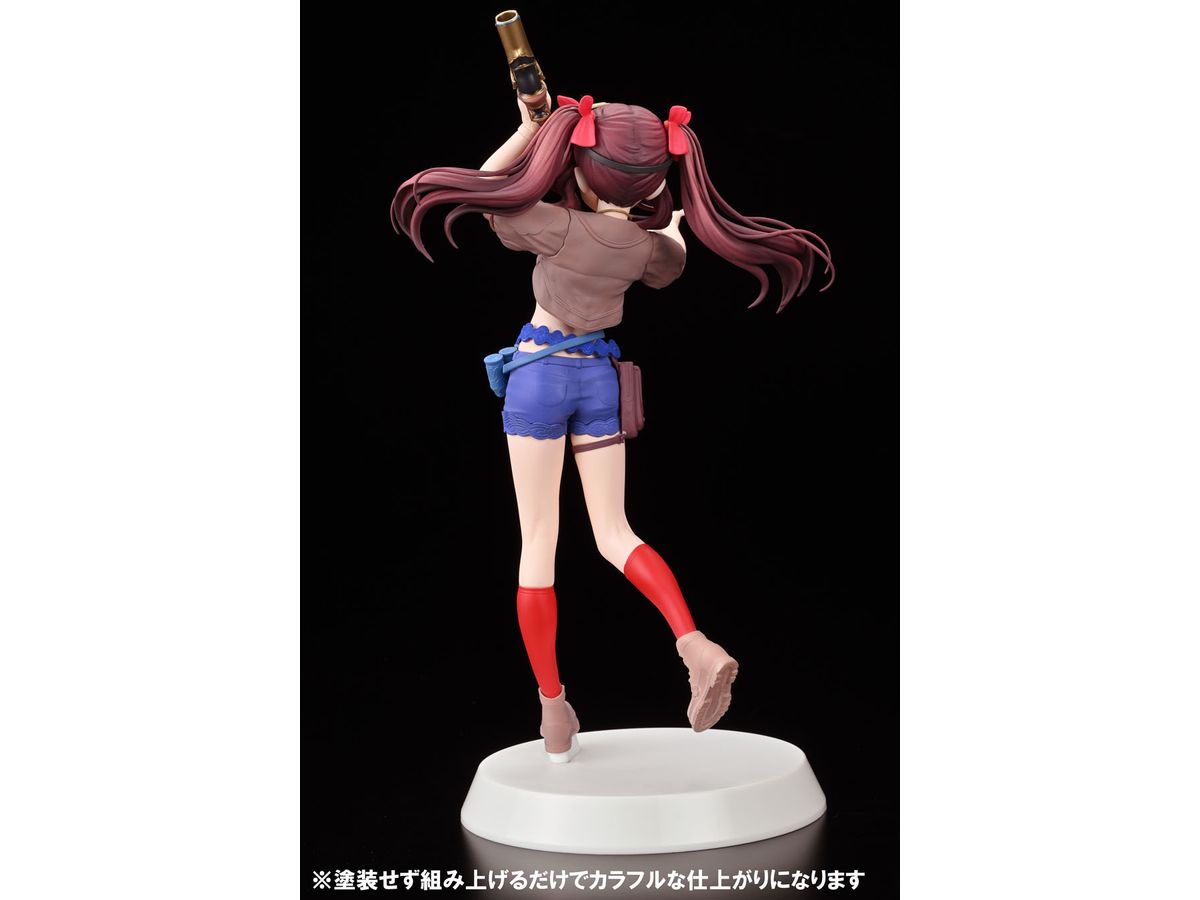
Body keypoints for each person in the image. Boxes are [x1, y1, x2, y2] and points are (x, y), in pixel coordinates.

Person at [391, 90, 833, 763]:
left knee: (538, 542)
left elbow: (486, 190)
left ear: (578, 165)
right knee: (616, 533)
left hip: (540, 378)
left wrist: (526, 129)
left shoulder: (555, 226)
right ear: (654, 180)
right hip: (599, 379)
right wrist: (674, 222)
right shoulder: (645, 248)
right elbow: (672, 259)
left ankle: (553, 707)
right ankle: (693, 642)